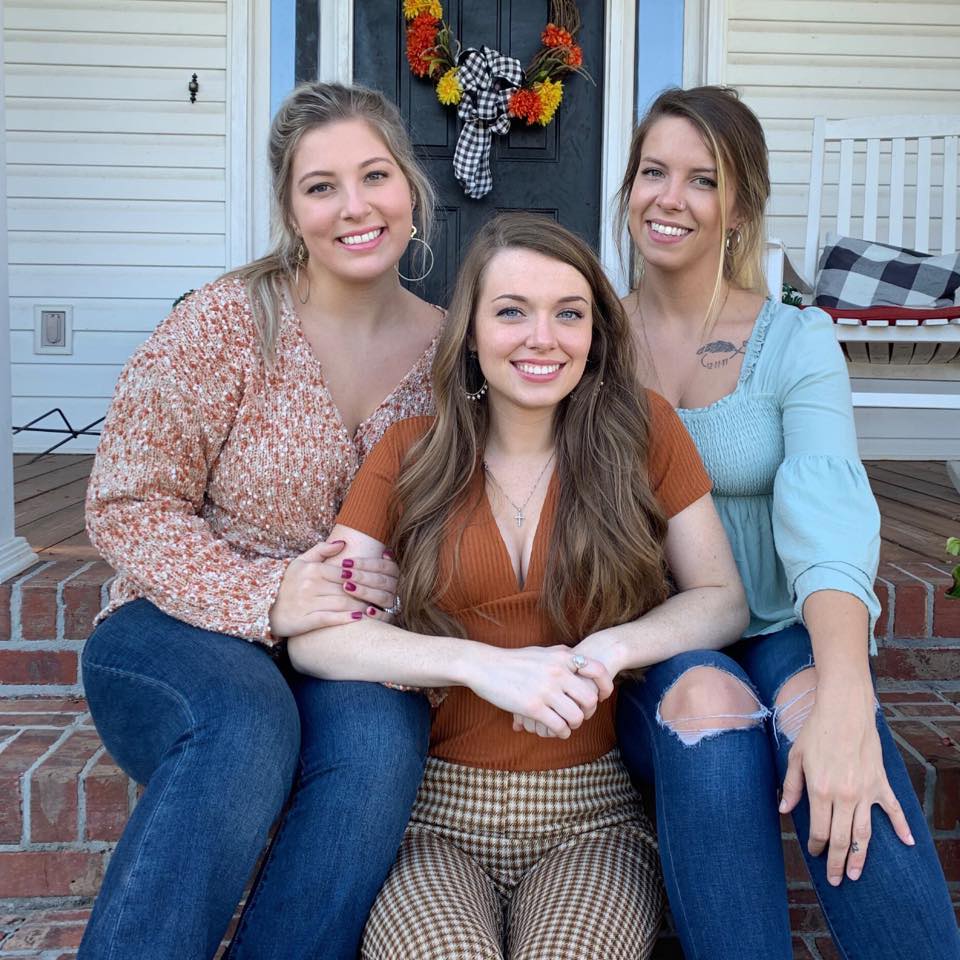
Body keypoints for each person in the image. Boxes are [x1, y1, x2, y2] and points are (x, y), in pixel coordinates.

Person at [285, 212, 749, 960]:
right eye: (511, 312)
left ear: (596, 331)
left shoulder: (645, 432)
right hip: (432, 820)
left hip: (591, 821)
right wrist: (476, 663)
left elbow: (722, 597)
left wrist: (608, 650)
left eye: (570, 314)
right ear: (469, 332)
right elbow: (316, 637)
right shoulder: (411, 454)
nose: (544, 338)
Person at [79, 81, 445, 960]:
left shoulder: (455, 352)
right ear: (290, 207)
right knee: (247, 721)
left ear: (411, 189)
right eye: (321, 186)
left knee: (378, 752)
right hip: (172, 625)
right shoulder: (226, 324)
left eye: (374, 176)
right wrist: (268, 594)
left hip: (347, 647)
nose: (354, 207)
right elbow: (125, 502)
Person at [613, 85, 960, 960]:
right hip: (657, 637)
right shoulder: (585, 337)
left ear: (739, 207)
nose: (670, 197)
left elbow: (827, 511)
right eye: (653, 172)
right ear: (627, 189)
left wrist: (848, 694)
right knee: (709, 711)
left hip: (777, 622)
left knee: (829, 728)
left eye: (702, 179)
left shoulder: (795, 339)